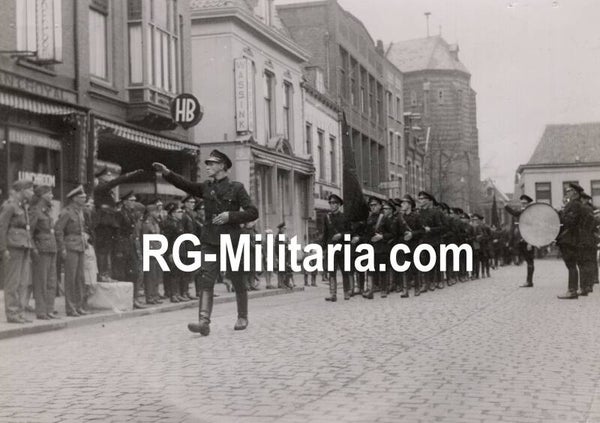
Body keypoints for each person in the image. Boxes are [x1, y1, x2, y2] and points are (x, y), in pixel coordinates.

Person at [153, 149, 258, 336]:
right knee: (206, 279)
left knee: (237, 279)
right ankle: (203, 322)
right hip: (210, 240)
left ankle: (242, 316)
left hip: (231, 240)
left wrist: (230, 216)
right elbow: (186, 185)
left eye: (211, 164)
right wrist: (167, 173)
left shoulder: (237, 188)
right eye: (207, 164)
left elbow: (252, 212)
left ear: (222, 166)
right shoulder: (206, 187)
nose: (207, 167)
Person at [93, 167, 144, 282]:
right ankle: (102, 274)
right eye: (108, 175)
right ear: (101, 177)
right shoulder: (101, 188)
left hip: (109, 223)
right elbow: (114, 183)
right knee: (102, 251)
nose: (110, 177)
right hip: (103, 223)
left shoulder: (106, 191)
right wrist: (130, 174)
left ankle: (105, 274)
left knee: (106, 250)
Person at [0, 180, 35, 323]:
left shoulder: (23, 206)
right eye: (30, 190)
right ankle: (12, 313)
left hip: (23, 247)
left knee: (22, 282)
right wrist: (3, 249)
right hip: (13, 248)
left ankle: (20, 312)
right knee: (13, 282)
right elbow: (2, 228)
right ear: (22, 190)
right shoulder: (9, 206)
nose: (32, 193)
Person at [55, 185, 90, 317]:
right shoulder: (67, 212)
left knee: (80, 278)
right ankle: (70, 308)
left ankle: (79, 306)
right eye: (82, 197)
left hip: (80, 246)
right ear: (75, 198)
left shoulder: (79, 211)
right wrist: (62, 248)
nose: (84, 199)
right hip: (70, 247)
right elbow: (58, 230)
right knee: (71, 278)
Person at [29, 185, 60, 320]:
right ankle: (41, 311)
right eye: (50, 194)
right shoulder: (36, 211)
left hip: (51, 248)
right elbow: (29, 233)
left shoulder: (46, 211)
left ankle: (50, 309)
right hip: (41, 250)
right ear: (43, 195)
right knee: (41, 281)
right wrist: (34, 249)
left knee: (51, 281)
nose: (52, 196)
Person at [321, 194, 351, 301]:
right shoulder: (327, 217)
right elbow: (325, 234)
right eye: (330, 203)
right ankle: (333, 294)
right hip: (331, 248)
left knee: (345, 271)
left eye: (334, 203)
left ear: (339, 205)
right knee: (331, 271)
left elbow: (350, 234)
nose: (332, 205)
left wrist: (341, 235)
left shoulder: (345, 217)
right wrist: (322, 248)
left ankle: (346, 292)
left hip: (343, 249)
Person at [505, 194, 535, 287]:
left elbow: (533, 229)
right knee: (527, 260)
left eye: (525, 203)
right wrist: (506, 206)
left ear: (529, 204)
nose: (523, 205)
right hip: (522, 240)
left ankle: (529, 281)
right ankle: (529, 281)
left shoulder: (531, 214)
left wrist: (530, 242)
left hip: (529, 240)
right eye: (522, 203)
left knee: (530, 261)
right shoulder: (523, 212)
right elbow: (514, 213)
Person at [142, 203, 164, 304]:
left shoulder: (156, 223)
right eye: (155, 211)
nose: (157, 213)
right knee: (150, 277)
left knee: (156, 276)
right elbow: (145, 239)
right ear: (151, 212)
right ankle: (150, 296)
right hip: (150, 252)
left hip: (157, 252)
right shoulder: (147, 224)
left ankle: (155, 295)